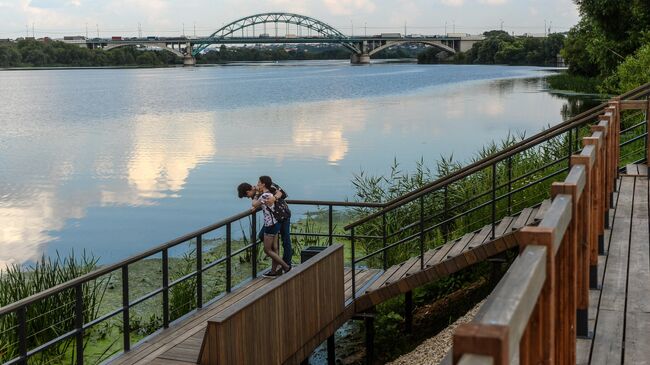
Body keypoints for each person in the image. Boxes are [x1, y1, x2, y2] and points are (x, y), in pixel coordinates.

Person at [252, 182, 291, 278]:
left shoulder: (268, 191)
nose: (257, 184)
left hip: (277, 219)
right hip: (276, 219)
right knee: (274, 246)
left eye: (259, 182)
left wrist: (258, 195)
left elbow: (282, 193)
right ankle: (276, 269)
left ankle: (286, 265)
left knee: (280, 243)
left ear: (263, 183)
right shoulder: (267, 192)